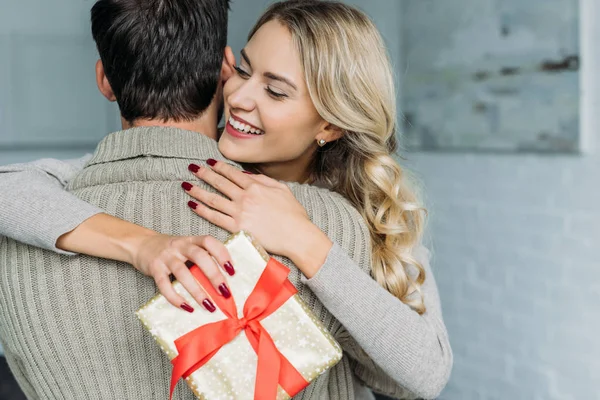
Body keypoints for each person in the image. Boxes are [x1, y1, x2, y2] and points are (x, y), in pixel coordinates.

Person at [0, 1, 452, 399]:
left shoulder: (354, 218)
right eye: (244, 71)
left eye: (275, 91)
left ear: (329, 126)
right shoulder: (193, 170)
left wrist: (306, 242)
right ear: (224, 65)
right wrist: (143, 243)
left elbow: (421, 377)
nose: (238, 98)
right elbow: (12, 186)